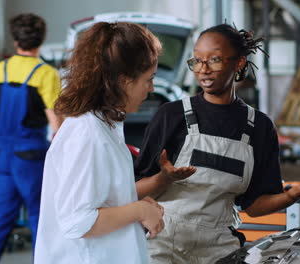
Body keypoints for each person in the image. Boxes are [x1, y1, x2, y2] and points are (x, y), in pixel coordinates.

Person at [134, 23, 300, 263]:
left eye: (214, 60)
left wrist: (292, 195)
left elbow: (255, 206)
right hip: (161, 241)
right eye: (197, 60)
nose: (203, 69)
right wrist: (163, 178)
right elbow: (134, 191)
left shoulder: (259, 127)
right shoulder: (172, 115)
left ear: (239, 63)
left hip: (218, 249)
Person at [33, 22, 195, 264]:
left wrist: (139, 201)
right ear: (122, 81)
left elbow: (106, 196)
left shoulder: (105, 124)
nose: (150, 89)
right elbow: (77, 220)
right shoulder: (87, 134)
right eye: (148, 79)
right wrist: (139, 211)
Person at [0, 13, 63, 264]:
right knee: (40, 217)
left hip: (2, 155)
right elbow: (56, 125)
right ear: (41, 39)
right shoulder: (46, 73)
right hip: (31, 155)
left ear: (15, 39)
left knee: (1, 219)